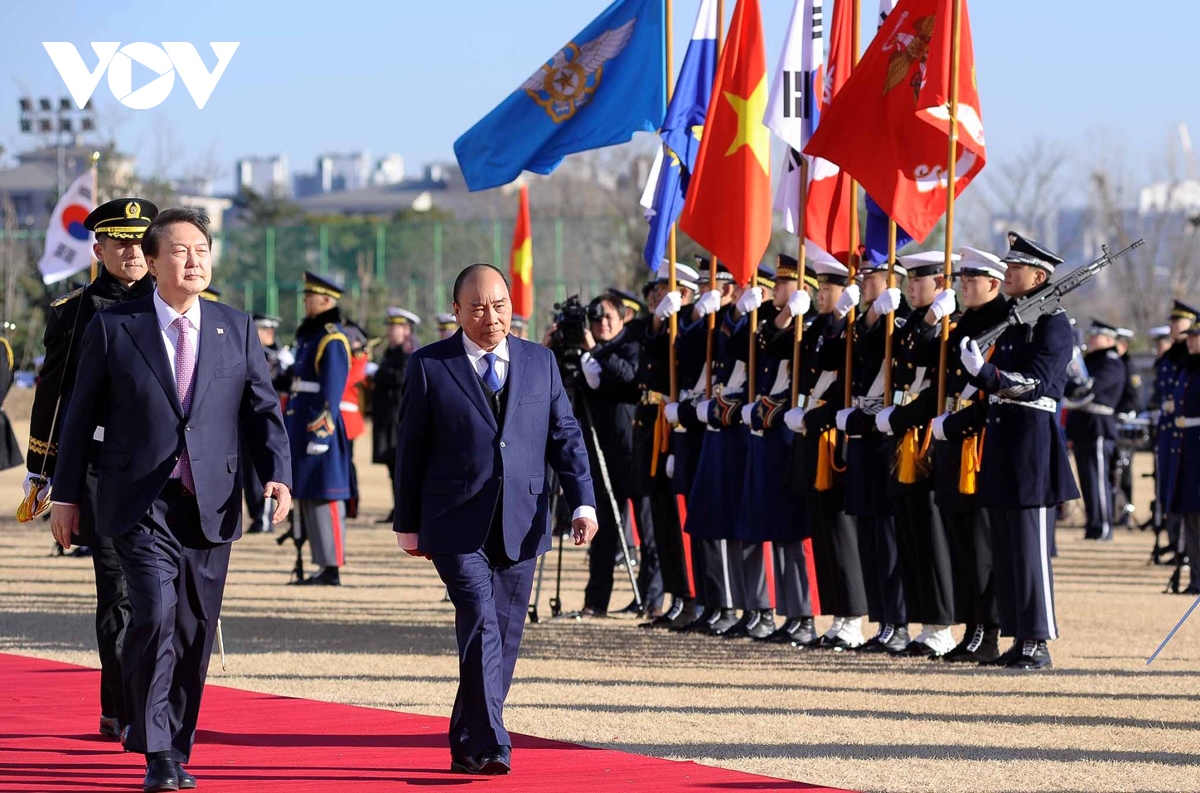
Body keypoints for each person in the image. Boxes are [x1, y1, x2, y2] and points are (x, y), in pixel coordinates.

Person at [48, 207, 292, 792]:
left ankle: (176, 744)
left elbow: (261, 410)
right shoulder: (115, 327)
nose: (194, 260)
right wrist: (64, 495)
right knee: (154, 613)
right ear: (152, 262)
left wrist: (276, 474)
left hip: (210, 500)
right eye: (180, 251)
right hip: (139, 501)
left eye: (202, 250)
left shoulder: (235, 327)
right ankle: (155, 747)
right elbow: (78, 417)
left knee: (194, 629)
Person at [394, 263, 597, 776]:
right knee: (482, 618)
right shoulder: (427, 365)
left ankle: (468, 739)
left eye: (500, 305)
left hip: (522, 519)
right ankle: (494, 742)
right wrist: (407, 522)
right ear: (457, 310)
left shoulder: (540, 362)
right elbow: (411, 450)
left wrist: (583, 502)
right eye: (478, 307)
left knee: (504, 634)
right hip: (453, 522)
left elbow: (565, 436)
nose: (491, 317)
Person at [24, 197, 158, 741]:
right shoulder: (73, 311)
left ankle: (156, 700)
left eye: (139, 241)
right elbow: (52, 397)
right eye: (119, 242)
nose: (131, 252)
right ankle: (121, 707)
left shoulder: (182, 306)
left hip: (166, 471)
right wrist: (43, 472)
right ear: (97, 248)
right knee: (119, 592)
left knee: (168, 596)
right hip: (104, 468)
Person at [955, 232, 1080, 670]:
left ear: (1039, 276)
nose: (1007, 273)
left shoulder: (1053, 323)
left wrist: (986, 374)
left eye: (1016, 268)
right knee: (1007, 551)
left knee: (1030, 551)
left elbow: (1038, 383)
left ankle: (1037, 641)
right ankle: (1017, 636)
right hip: (1004, 441)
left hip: (1032, 446)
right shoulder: (1017, 319)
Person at [896, 247, 1010, 663]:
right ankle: (971, 629)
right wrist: (930, 319)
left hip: (977, 446)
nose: (961, 285)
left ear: (993, 284)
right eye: (960, 279)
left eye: (969, 280)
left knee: (980, 545)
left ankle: (988, 630)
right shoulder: (960, 323)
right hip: (950, 442)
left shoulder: (1003, 322)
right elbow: (914, 356)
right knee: (960, 544)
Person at [870, 250, 959, 658]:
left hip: (930, 436)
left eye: (917, 281)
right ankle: (924, 623)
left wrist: (933, 318)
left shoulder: (948, 324)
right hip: (904, 434)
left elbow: (931, 366)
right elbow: (898, 352)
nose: (909, 287)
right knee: (910, 534)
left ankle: (942, 625)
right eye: (908, 280)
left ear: (941, 284)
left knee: (933, 533)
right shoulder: (913, 323)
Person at [785, 244, 870, 650]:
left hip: (833, 438)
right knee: (822, 530)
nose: (820, 295)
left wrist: (841, 319)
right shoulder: (819, 325)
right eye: (819, 288)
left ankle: (853, 616)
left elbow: (844, 369)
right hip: (810, 434)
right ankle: (838, 615)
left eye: (828, 288)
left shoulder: (847, 325)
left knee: (840, 531)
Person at [285, 272, 353, 586]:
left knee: (326, 498)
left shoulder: (332, 338)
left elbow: (332, 391)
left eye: (310, 296)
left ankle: (333, 567)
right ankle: (320, 564)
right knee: (309, 498)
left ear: (326, 300)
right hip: (302, 428)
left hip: (319, 431)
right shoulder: (310, 336)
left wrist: (322, 432)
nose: (304, 301)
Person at [577, 294, 641, 617]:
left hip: (631, 449)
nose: (602, 323)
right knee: (600, 529)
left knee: (645, 527)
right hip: (597, 450)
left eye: (608, 317)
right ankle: (595, 600)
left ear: (622, 318)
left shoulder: (629, 343)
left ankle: (650, 599)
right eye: (596, 317)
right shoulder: (585, 350)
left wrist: (596, 350)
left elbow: (628, 374)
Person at [1065, 320, 1126, 541]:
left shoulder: (1111, 363)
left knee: (1098, 481)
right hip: (1083, 427)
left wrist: (1077, 389)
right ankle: (1093, 525)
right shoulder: (1092, 360)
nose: (1091, 339)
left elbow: (1090, 388)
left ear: (1109, 340)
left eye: (1096, 336)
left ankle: (1103, 527)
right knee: (1087, 481)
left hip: (1098, 427)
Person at [371, 307, 419, 523]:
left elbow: (401, 378)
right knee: (393, 467)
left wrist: (378, 375)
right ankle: (397, 507)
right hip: (388, 419)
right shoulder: (390, 352)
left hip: (400, 419)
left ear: (406, 330)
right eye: (390, 326)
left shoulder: (408, 352)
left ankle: (407, 509)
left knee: (404, 468)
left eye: (395, 327)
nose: (390, 331)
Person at [1163, 326, 1200, 594]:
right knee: (1190, 516)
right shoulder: (1186, 368)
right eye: (1190, 336)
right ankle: (1196, 578)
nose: (1191, 341)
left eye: (1196, 337)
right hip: (1186, 450)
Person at [244, 314, 288, 534]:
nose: (269, 335)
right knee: (248, 473)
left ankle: (264, 517)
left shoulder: (277, 356)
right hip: (246, 420)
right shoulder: (252, 352)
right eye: (264, 330)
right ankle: (257, 515)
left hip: (269, 418)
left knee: (262, 470)